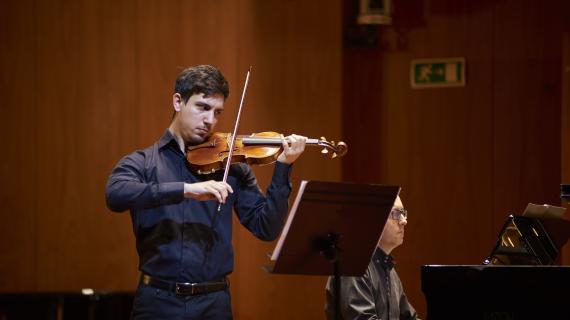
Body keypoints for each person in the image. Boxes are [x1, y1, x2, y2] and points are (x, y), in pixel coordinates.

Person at [105, 65, 307, 319]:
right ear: (178, 101)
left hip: (214, 304)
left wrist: (283, 167)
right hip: (157, 302)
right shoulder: (142, 163)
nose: (210, 120)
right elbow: (116, 194)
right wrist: (186, 190)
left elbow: (266, 227)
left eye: (217, 112)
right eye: (202, 107)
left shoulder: (230, 166)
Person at [324, 195, 419, 320]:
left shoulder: (390, 272)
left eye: (403, 213)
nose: (403, 221)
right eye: (396, 214)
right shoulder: (353, 265)